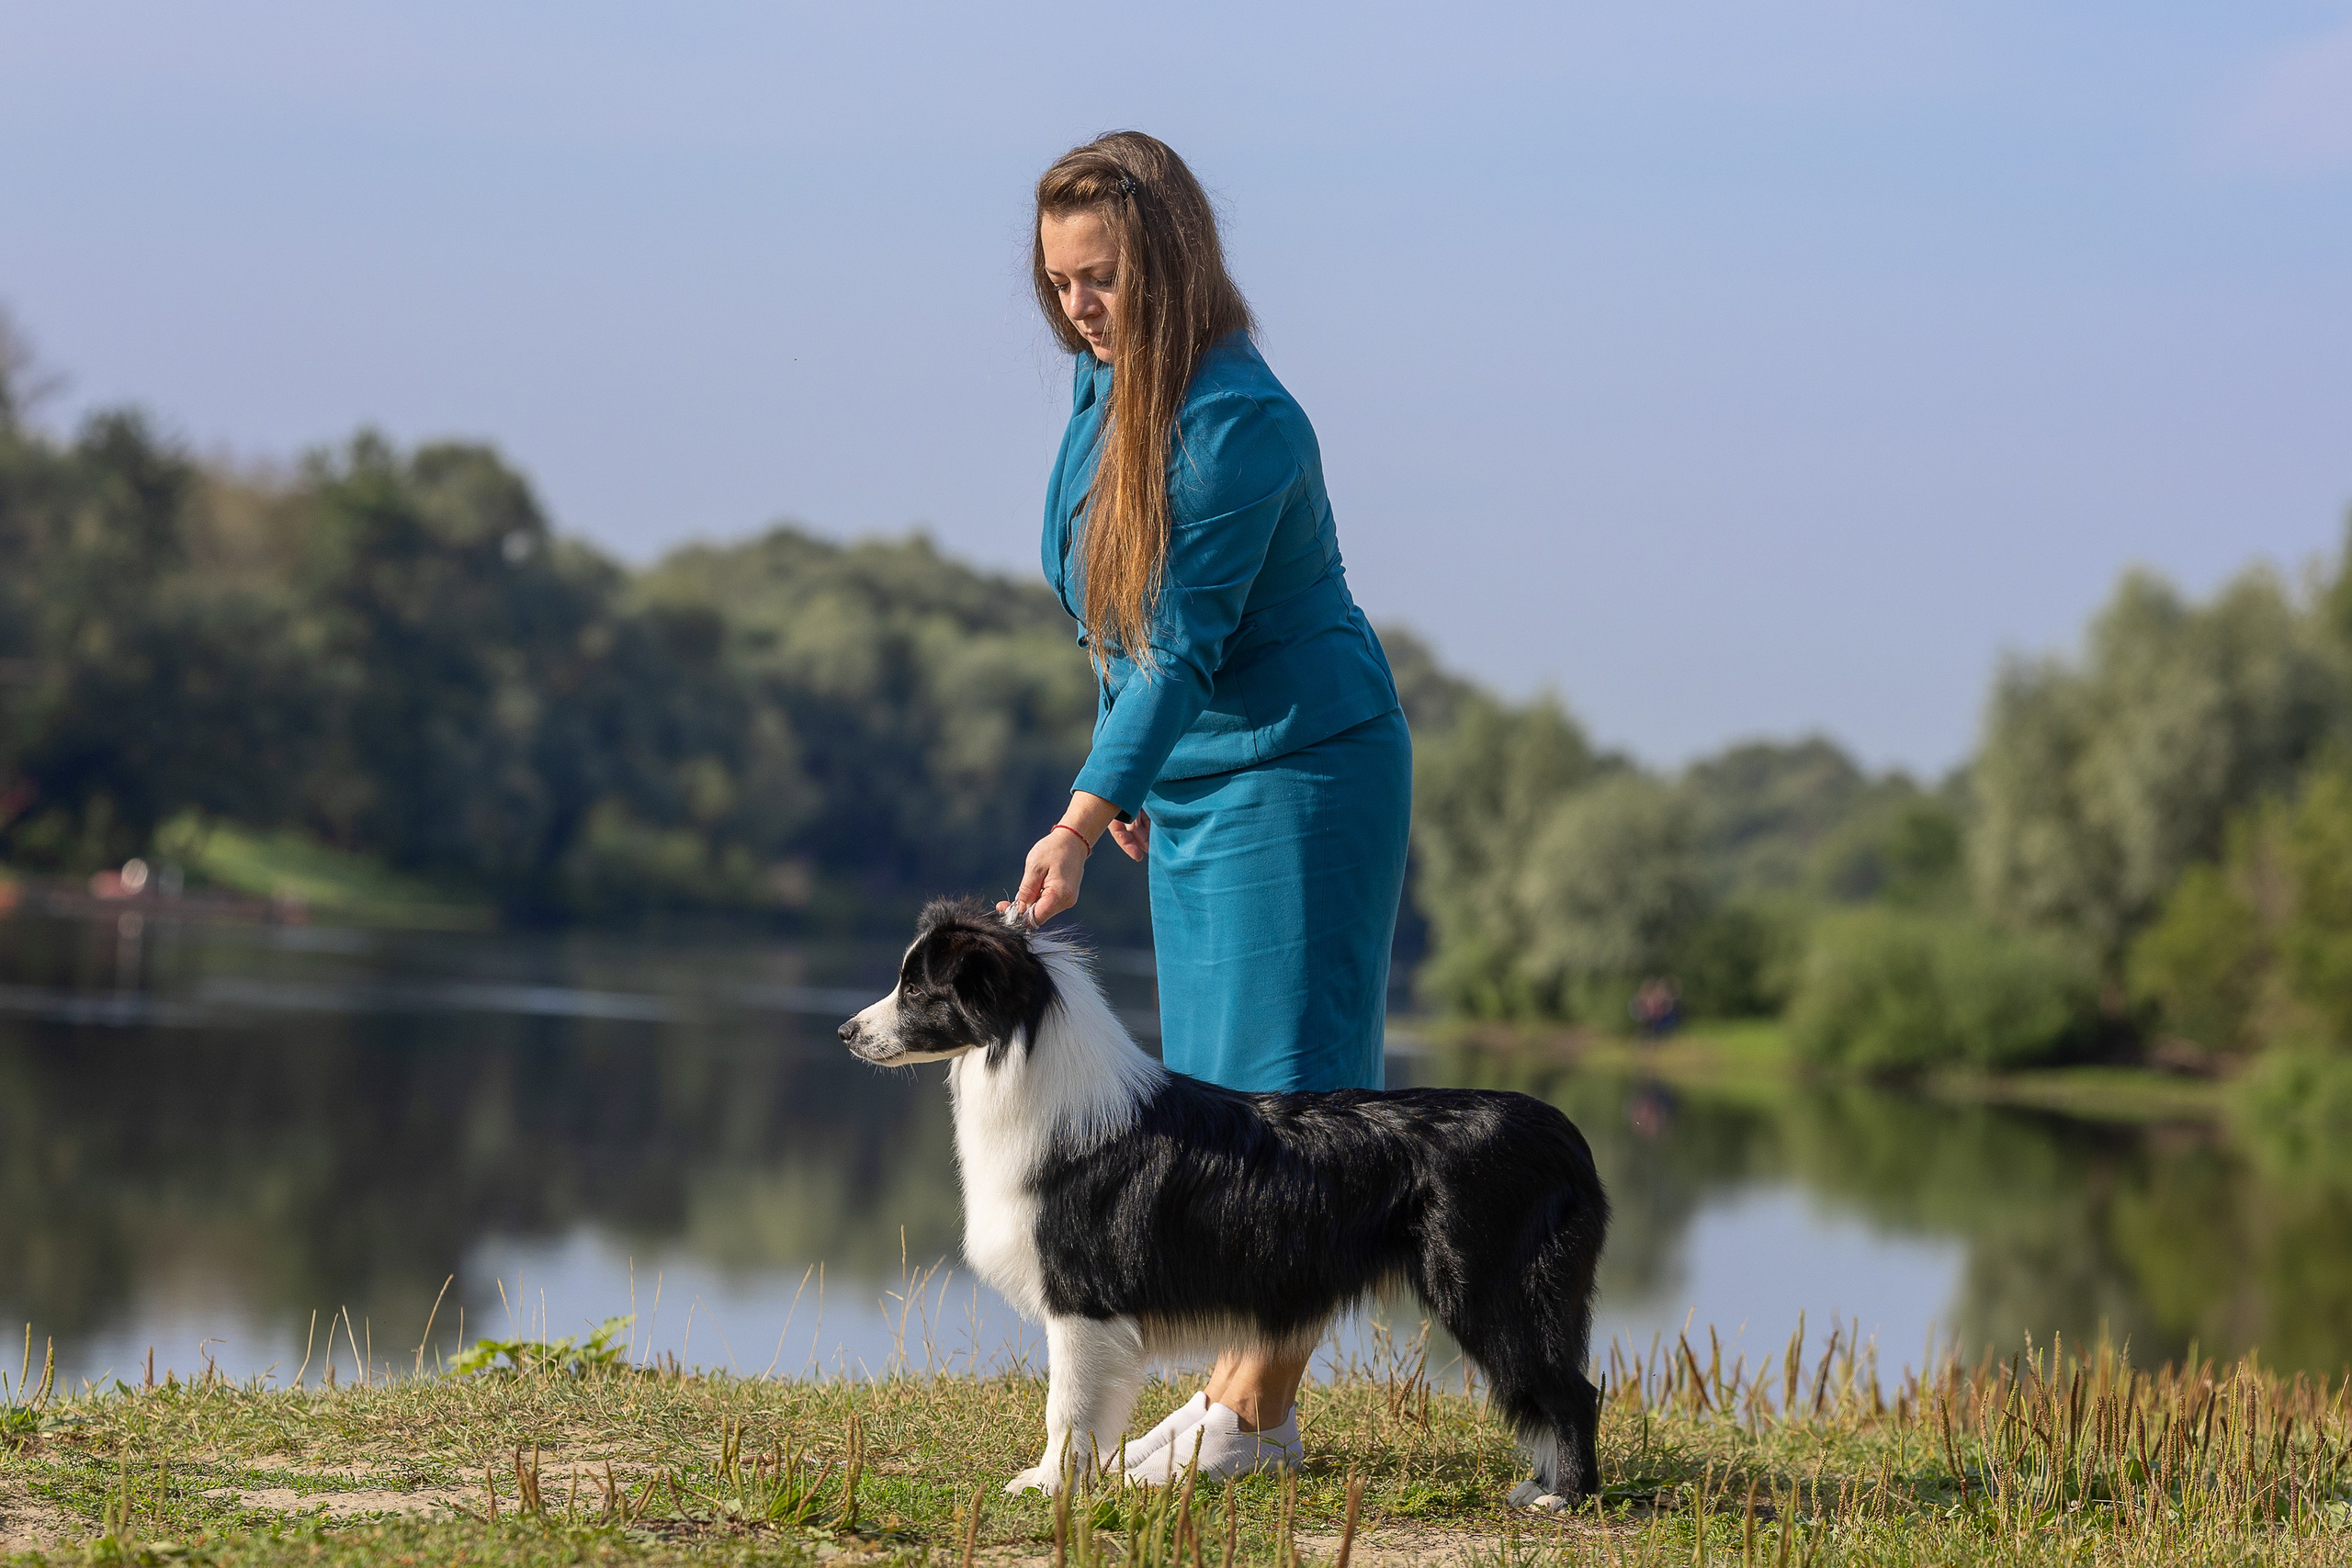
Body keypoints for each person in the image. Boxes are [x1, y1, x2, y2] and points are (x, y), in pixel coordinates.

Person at [1000, 131, 1413, 1484]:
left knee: (1294, 1101)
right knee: (1230, 1104)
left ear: (1170, 262)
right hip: (1201, 776)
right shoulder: (1100, 391)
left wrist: (1077, 813)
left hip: (1303, 772)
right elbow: (1113, 615)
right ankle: (1259, 1411)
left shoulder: (1237, 420)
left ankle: (1247, 1411)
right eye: (1060, 283)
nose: (1080, 308)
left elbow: (1185, 644)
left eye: (1103, 279)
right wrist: (1132, 769)